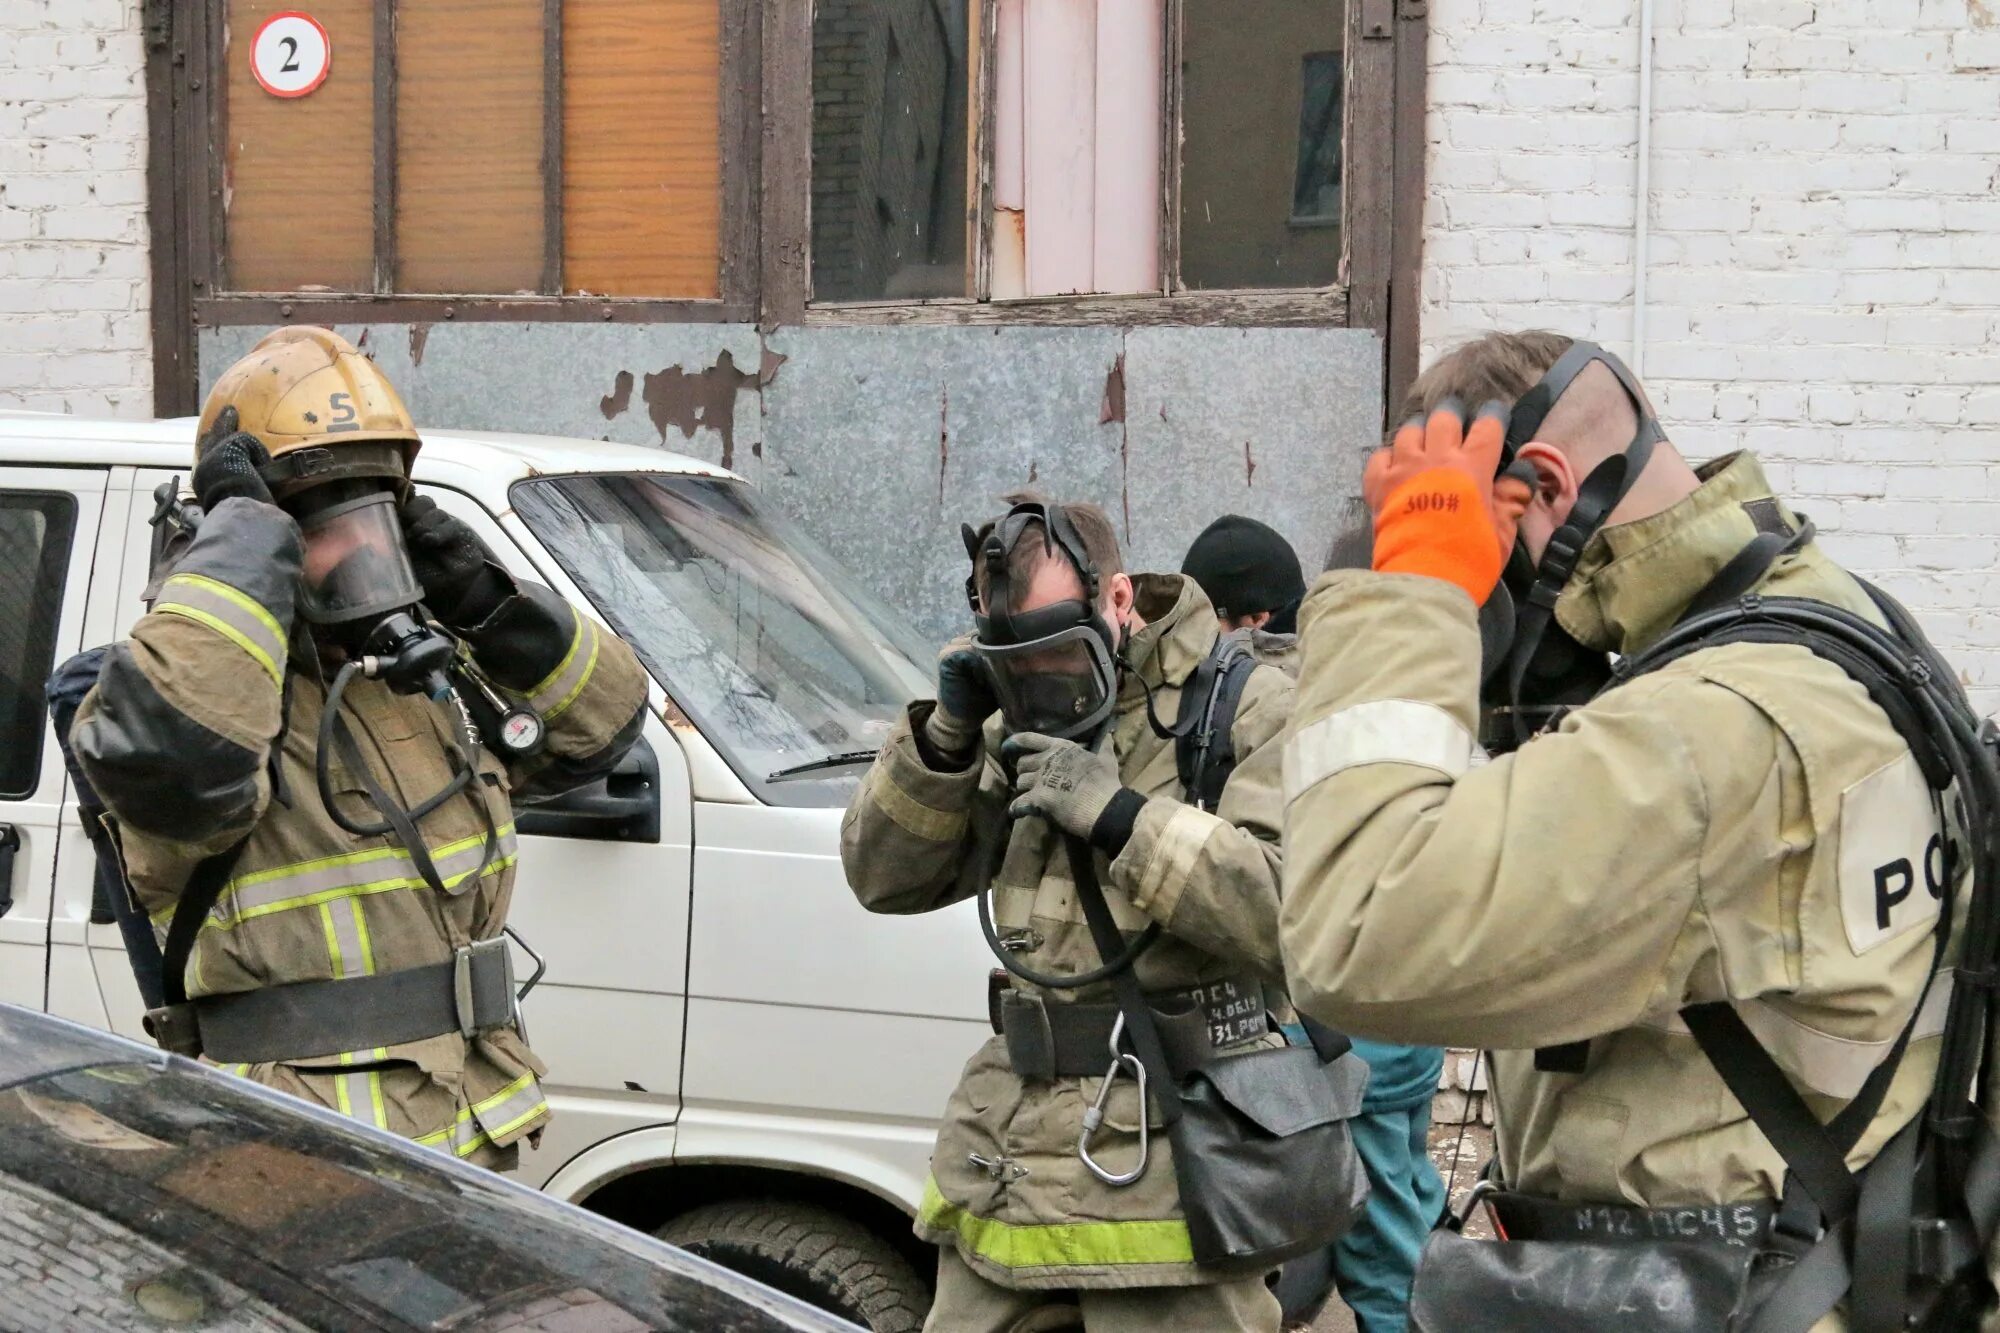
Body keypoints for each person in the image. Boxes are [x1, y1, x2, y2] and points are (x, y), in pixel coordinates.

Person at [1275, 330, 1987, 1327]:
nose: (1484, 602)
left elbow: (1356, 935)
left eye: (1484, 557)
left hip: (1737, 1292)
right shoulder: (1844, 635)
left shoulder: (1706, 726)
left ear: (1546, 485)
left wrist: (1416, 590)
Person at [71, 326, 648, 1169]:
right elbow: (179, 755)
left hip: (468, 1137)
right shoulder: (204, 700)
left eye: (376, 516)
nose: (363, 549)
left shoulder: (402, 680)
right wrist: (234, 548)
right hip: (299, 1158)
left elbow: (601, 728)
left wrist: (485, 598)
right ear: (256, 538)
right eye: (325, 523)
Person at [841, 494, 1301, 1332]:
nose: (1040, 680)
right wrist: (946, 738)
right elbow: (882, 877)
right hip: (1008, 1154)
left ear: (1118, 600)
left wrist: (1123, 816)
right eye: (1015, 660)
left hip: (1173, 1172)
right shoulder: (1004, 713)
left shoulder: (1245, 706)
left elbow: (1294, 919)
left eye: (1060, 651)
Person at [1182, 514, 1446, 1333]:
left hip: (1347, 1014)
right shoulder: (1368, 687)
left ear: (1254, 620)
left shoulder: (1276, 702)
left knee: (1370, 1229)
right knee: (1403, 1188)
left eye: (1211, 620)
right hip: (1411, 995)